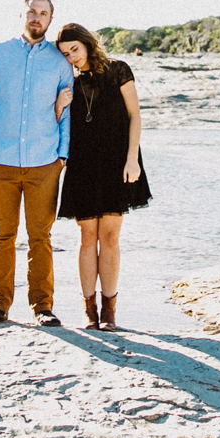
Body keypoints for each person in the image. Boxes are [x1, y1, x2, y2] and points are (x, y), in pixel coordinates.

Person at [0, 0, 75, 328]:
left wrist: (63, 154)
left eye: (43, 13)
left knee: (40, 237)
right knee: (4, 235)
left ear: (50, 19)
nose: (36, 18)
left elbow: (67, 114)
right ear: (22, 15)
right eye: (32, 12)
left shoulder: (60, 63)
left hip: (44, 162)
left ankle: (42, 307)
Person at [54, 23, 150, 331]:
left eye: (75, 50)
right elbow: (55, 126)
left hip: (116, 162)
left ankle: (109, 312)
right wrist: (59, 107)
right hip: (82, 165)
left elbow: (135, 115)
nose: (71, 58)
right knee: (86, 239)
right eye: (65, 54)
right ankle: (89, 311)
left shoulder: (119, 70)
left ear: (87, 44)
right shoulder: (67, 81)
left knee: (109, 238)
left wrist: (132, 159)